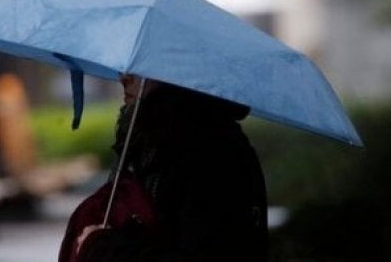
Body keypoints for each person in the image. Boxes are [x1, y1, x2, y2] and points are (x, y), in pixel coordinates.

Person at [65, 74, 268, 262]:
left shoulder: (210, 152)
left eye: (141, 70)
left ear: (178, 72)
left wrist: (102, 246)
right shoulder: (152, 138)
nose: (124, 77)